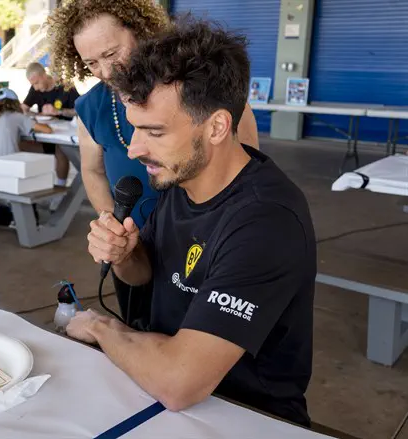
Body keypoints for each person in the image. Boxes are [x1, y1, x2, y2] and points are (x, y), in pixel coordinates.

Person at [68, 21, 315, 427]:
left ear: (217, 127)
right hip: (156, 391)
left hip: (243, 416)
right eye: (134, 128)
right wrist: (126, 255)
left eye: (154, 132)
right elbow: (144, 274)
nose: (134, 149)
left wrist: (102, 327)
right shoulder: (180, 181)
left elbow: (179, 383)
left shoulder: (266, 222)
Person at [46, 0, 260, 323]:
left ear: (140, 32)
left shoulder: (199, 90)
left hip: (200, 242)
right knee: (138, 325)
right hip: (134, 246)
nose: (105, 72)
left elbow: (247, 167)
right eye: (91, 63)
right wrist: (114, 229)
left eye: (111, 54)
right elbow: (92, 171)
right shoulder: (91, 107)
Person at [21, 62, 79, 187]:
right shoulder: (35, 89)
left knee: (60, 149)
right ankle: (32, 185)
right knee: (20, 143)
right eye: (32, 85)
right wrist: (34, 114)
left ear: (44, 75)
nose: (35, 88)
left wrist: (59, 111)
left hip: (65, 132)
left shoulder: (65, 87)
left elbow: (79, 111)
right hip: (46, 130)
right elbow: (24, 108)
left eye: (36, 83)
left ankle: (60, 187)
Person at [0, 88, 52, 162]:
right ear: (15, 103)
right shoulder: (17, 116)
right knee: (46, 150)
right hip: (12, 165)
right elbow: (48, 130)